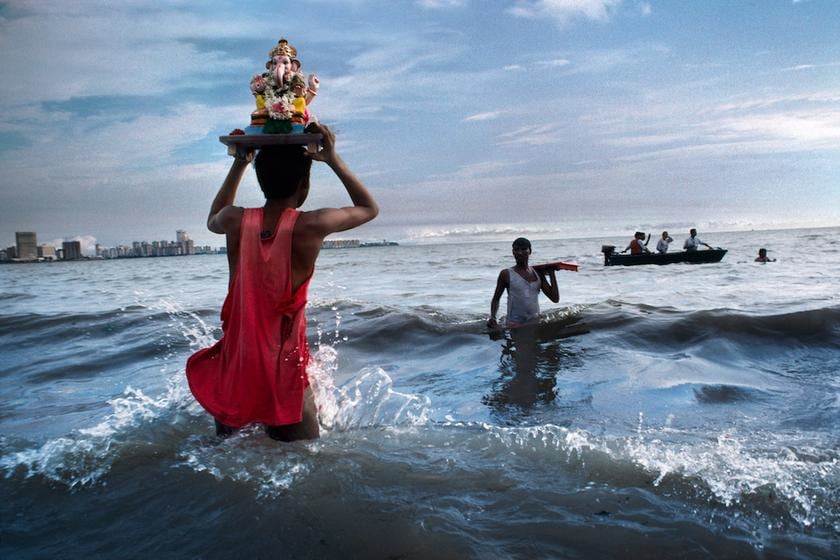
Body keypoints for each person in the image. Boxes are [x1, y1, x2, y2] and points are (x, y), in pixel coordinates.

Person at [186, 123, 378, 441]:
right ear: (304, 185)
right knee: (303, 465)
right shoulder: (311, 225)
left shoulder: (234, 219)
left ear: (261, 182)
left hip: (238, 365)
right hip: (283, 369)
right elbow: (369, 208)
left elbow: (212, 218)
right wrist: (332, 158)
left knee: (227, 455)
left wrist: (239, 163)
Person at [487, 238, 559, 329]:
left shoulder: (537, 273)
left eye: (524, 249)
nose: (520, 253)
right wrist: (493, 317)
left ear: (530, 251)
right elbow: (496, 298)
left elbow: (555, 298)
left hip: (534, 323)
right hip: (514, 325)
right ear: (513, 252)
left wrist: (552, 273)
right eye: (516, 250)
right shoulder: (506, 274)